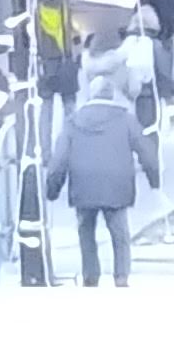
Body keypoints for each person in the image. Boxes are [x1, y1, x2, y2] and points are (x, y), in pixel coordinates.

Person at [46, 81, 155, 286]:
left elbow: (59, 160)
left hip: (83, 185)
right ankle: (121, 277)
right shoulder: (126, 119)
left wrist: (52, 189)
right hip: (117, 185)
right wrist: (154, 179)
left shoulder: (73, 121)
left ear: (90, 94)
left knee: (86, 231)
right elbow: (146, 152)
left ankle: (90, 276)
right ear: (111, 95)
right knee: (120, 233)